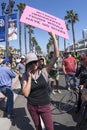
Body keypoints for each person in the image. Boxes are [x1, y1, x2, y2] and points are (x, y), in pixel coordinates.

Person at [22, 32, 59, 130]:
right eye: (30, 63)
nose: (33, 64)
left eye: (35, 62)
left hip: (45, 105)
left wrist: (54, 37)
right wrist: (29, 77)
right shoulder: (25, 75)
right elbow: (25, 94)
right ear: (27, 64)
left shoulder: (44, 72)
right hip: (32, 106)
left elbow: (56, 57)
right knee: (38, 127)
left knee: (50, 128)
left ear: (38, 62)